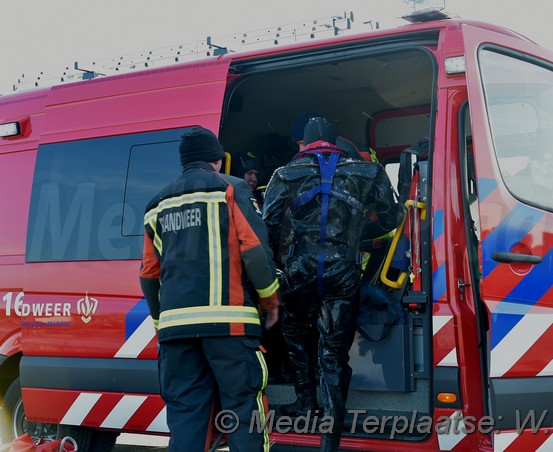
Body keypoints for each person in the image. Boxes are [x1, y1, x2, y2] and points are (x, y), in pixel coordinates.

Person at [262, 117, 404, 451]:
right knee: (334, 353)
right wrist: (355, 238)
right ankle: (330, 439)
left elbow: (266, 229)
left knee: (295, 332)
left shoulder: (284, 175)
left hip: (300, 269)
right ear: (335, 142)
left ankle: (305, 403)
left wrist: (283, 258)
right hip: (343, 268)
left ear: (304, 144)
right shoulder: (368, 172)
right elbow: (392, 217)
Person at [139, 126, 281, 452]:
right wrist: (271, 301)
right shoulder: (230, 190)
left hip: (176, 334)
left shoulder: (156, 204)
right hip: (229, 326)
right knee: (244, 414)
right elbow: (255, 251)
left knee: (187, 416)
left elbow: (148, 275)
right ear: (218, 160)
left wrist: (162, 324)